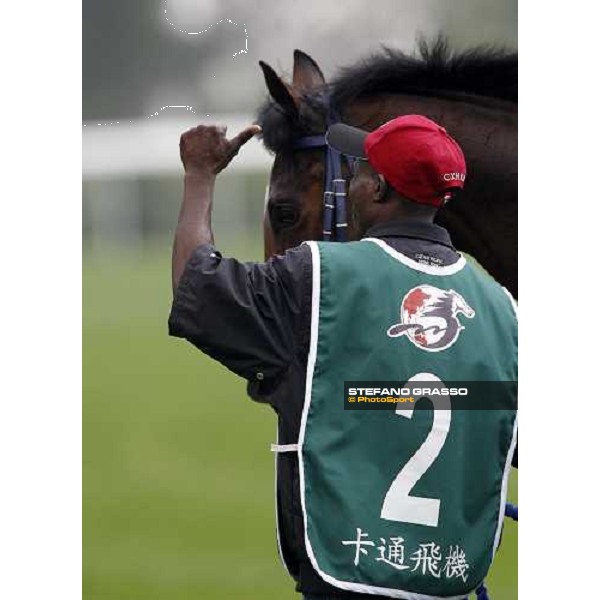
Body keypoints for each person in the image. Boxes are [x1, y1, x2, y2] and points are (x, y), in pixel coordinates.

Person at [169, 115, 517, 599]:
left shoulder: (318, 276)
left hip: (344, 572)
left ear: (377, 191)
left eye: (359, 171)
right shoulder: (503, 308)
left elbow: (197, 287)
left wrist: (199, 177)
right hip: (453, 577)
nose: (349, 181)